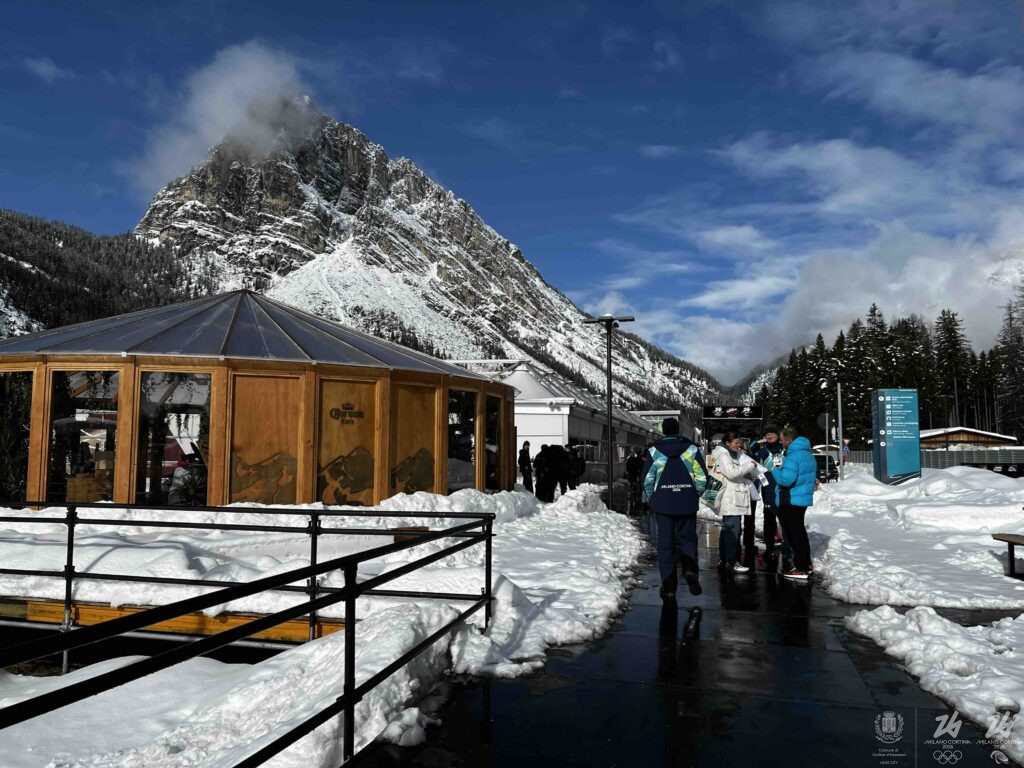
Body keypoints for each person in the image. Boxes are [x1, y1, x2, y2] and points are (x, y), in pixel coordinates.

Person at [642, 417, 707, 599]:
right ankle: (690, 570)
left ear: (663, 430)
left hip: (663, 503)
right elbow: (702, 476)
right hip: (686, 501)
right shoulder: (692, 449)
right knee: (688, 539)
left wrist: (653, 497)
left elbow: (648, 479)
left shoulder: (655, 451)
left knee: (665, 544)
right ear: (678, 430)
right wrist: (695, 493)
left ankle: (669, 586)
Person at [772, 426, 817, 581]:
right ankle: (806, 564)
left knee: (795, 534)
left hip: (791, 499)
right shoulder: (808, 454)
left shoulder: (793, 456)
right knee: (800, 533)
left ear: (789, 440)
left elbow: (786, 480)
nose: (781, 442)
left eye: (782, 440)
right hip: (801, 499)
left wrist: (775, 470)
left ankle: (801, 567)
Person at [711, 432, 760, 573]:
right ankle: (731, 561)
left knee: (728, 529)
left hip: (733, 497)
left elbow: (733, 473)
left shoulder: (730, 455)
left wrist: (745, 474)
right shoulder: (724, 455)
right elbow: (731, 473)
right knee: (733, 530)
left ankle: (725, 559)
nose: (739, 446)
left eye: (739, 443)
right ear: (727, 443)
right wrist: (750, 465)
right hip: (731, 498)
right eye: (736, 443)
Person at [752, 426, 786, 567]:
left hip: (784, 489)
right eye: (767, 434)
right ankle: (770, 548)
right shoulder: (762, 451)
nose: (769, 435)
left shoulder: (785, 450)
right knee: (769, 518)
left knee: (784, 518)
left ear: (778, 435)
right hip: (769, 490)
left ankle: (787, 547)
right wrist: (763, 485)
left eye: (772, 433)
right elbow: (756, 470)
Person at [625, 448, 645, 515]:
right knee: (636, 485)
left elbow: (627, 467)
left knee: (632, 484)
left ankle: (632, 490)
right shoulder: (636, 459)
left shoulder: (629, 459)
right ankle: (636, 493)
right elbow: (637, 467)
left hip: (631, 474)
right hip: (635, 474)